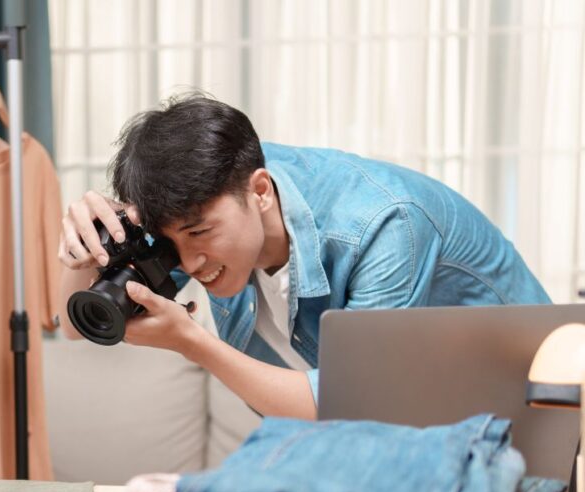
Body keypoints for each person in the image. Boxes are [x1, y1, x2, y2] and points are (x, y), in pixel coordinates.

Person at [58, 95, 550, 419]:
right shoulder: (211, 198)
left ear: (261, 192)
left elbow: (349, 399)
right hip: (404, 429)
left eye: (200, 234)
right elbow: (77, 327)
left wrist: (193, 342)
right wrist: (86, 253)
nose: (189, 263)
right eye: (173, 244)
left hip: (525, 409)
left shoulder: (384, 225)